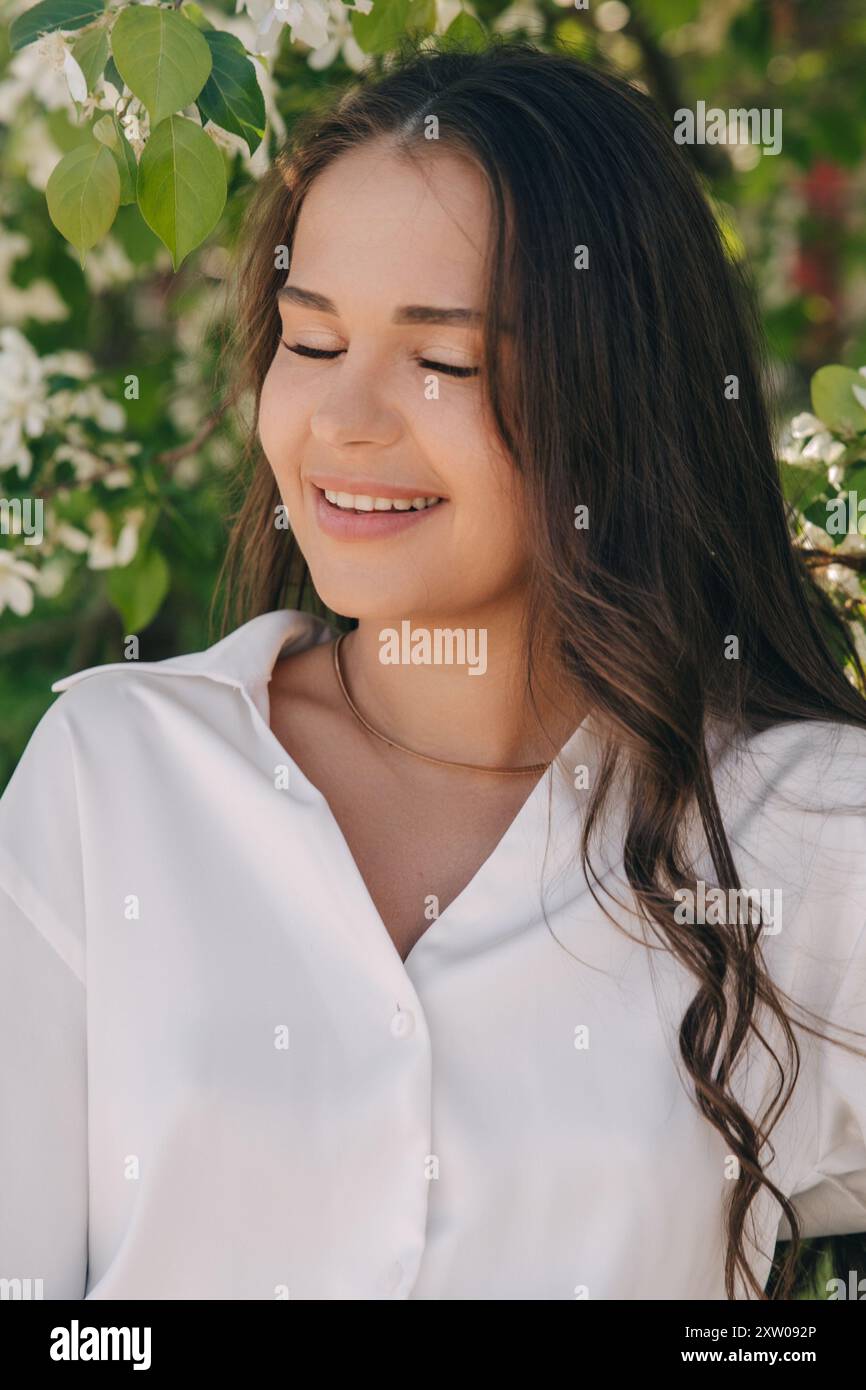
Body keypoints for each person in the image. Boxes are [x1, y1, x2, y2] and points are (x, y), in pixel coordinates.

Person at [1, 40, 865, 1302]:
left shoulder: (797, 831)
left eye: (442, 360)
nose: (342, 418)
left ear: (619, 392)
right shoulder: (113, 776)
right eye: (310, 341)